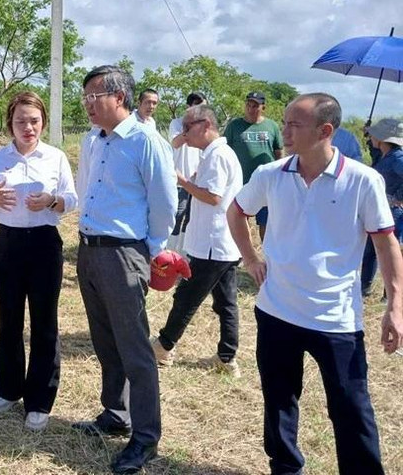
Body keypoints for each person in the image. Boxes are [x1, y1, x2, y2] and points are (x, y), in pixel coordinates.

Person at [226, 93, 403, 475]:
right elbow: (237, 211)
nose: (284, 131)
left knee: (351, 407)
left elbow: (386, 243)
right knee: (279, 400)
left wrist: (395, 307)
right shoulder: (270, 174)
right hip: (276, 310)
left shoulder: (362, 180)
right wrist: (252, 258)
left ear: (326, 131)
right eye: (286, 121)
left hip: (335, 318)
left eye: (294, 124)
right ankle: (285, 466)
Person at [72, 66, 177, 474]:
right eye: (85, 97)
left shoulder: (147, 141)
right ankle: (115, 412)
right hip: (90, 250)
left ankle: (146, 437)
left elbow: (164, 204)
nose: (87, 105)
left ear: (119, 97)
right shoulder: (94, 140)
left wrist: (148, 254)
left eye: (93, 96)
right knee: (105, 341)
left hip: (124, 254)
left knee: (135, 349)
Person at [0, 91, 78, 432]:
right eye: (21, 121)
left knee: (45, 323)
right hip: (9, 243)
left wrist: (52, 200)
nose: (28, 127)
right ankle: (7, 388)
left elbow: (72, 199)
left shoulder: (56, 158)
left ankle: (40, 400)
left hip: (45, 243)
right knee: (9, 318)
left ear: (43, 122)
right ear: (10, 124)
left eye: (34, 121)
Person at [151, 104, 243, 375]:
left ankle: (164, 346)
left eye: (187, 128)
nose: (184, 133)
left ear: (205, 125)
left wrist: (182, 181)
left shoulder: (217, 155)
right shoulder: (214, 154)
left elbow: (213, 196)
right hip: (222, 242)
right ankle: (227, 357)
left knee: (187, 297)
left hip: (212, 243)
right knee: (226, 302)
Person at [223, 91, 282, 241]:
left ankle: (266, 253)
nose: (251, 108)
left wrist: (277, 174)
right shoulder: (234, 126)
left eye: (255, 105)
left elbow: (278, 152)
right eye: (248, 105)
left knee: (266, 221)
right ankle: (244, 254)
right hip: (241, 181)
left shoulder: (271, 126)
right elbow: (224, 150)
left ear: (263, 107)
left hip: (266, 182)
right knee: (241, 218)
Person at [360, 118, 403, 297]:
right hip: (381, 207)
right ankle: (365, 288)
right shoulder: (384, 155)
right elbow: (374, 152)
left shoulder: (397, 158)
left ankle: (390, 293)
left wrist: (398, 198)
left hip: (392, 210)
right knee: (371, 249)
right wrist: (369, 136)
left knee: (388, 250)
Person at [167, 91, 206, 252]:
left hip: (197, 178)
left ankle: (184, 252)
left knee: (191, 217)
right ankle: (168, 251)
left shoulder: (204, 126)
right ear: (188, 107)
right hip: (179, 178)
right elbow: (176, 143)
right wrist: (190, 127)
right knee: (177, 214)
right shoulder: (177, 123)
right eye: (198, 107)